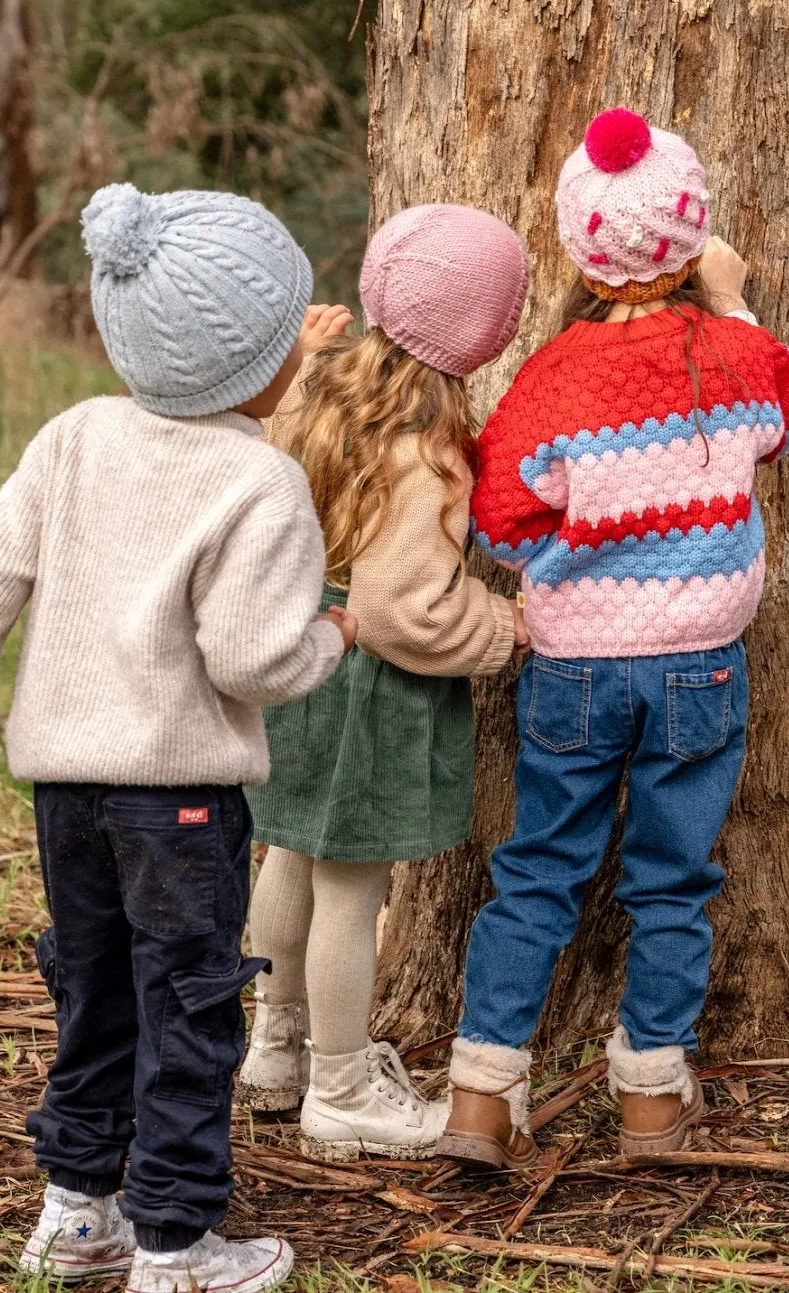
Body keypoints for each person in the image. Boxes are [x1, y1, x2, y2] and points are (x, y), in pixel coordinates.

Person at [0, 183, 357, 1293]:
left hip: (67, 796)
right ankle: (177, 1245)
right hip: (182, 800)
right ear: (259, 365)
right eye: (293, 329)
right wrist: (336, 631)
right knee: (189, 1012)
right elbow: (252, 662)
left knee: (92, 992)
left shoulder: (76, 437)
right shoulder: (263, 482)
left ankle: (77, 1210)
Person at [435, 107, 789, 1170]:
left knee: (539, 871)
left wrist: (572, 553)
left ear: (576, 246)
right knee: (671, 877)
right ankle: (650, 1098)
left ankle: (479, 1093)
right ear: (692, 241)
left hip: (575, 668)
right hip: (700, 664)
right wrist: (737, 303)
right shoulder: (737, 357)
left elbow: (498, 516)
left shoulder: (553, 377)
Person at [237, 204, 532, 1159]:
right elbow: (410, 612)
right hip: (367, 690)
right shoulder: (428, 450)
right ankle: (342, 1084)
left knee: (285, 851)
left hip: (293, 665)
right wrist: (504, 627)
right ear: (485, 335)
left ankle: (272, 1049)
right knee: (352, 891)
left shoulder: (318, 397)